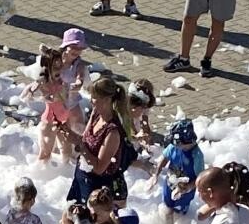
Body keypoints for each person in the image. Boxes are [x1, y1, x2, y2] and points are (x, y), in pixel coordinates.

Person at [59, 77, 133, 207]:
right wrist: (69, 133)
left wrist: (79, 145)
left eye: (94, 97)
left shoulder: (112, 132)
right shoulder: (96, 114)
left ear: (106, 99)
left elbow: (99, 168)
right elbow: (86, 140)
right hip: (83, 179)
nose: (90, 101)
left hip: (100, 192)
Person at [150, 119, 204, 222]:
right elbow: (165, 158)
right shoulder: (173, 147)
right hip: (169, 184)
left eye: (177, 144)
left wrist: (187, 188)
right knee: (167, 208)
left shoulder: (197, 156)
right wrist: (155, 175)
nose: (174, 145)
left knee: (179, 216)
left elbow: (200, 178)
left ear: (187, 141)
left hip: (185, 191)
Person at [22, 46, 70, 162]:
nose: (59, 69)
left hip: (64, 118)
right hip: (50, 120)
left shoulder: (61, 79)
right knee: (45, 153)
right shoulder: (43, 81)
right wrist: (43, 97)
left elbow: (66, 97)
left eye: (60, 65)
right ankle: (40, 170)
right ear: (47, 67)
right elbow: (27, 95)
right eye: (55, 66)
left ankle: (62, 171)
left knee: (67, 152)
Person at [128, 79, 156, 148]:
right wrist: (136, 136)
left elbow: (145, 120)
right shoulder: (123, 115)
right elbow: (129, 127)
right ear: (134, 108)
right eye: (143, 108)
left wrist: (146, 131)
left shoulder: (139, 105)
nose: (143, 110)